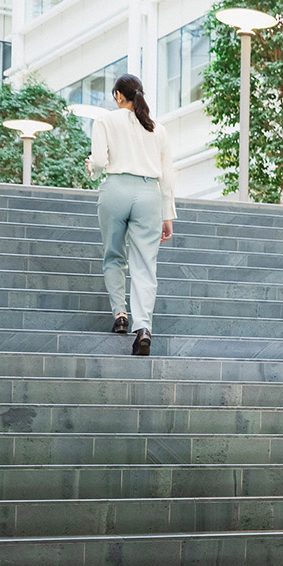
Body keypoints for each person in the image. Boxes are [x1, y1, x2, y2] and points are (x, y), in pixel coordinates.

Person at [87, 74, 176, 357]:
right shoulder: (157, 129)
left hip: (115, 189)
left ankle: (120, 315)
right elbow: (168, 176)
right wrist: (168, 215)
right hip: (149, 194)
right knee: (145, 265)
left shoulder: (104, 121)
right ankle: (144, 328)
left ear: (117, 96)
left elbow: (100, 161)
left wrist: (92, 168)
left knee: (114, 255)